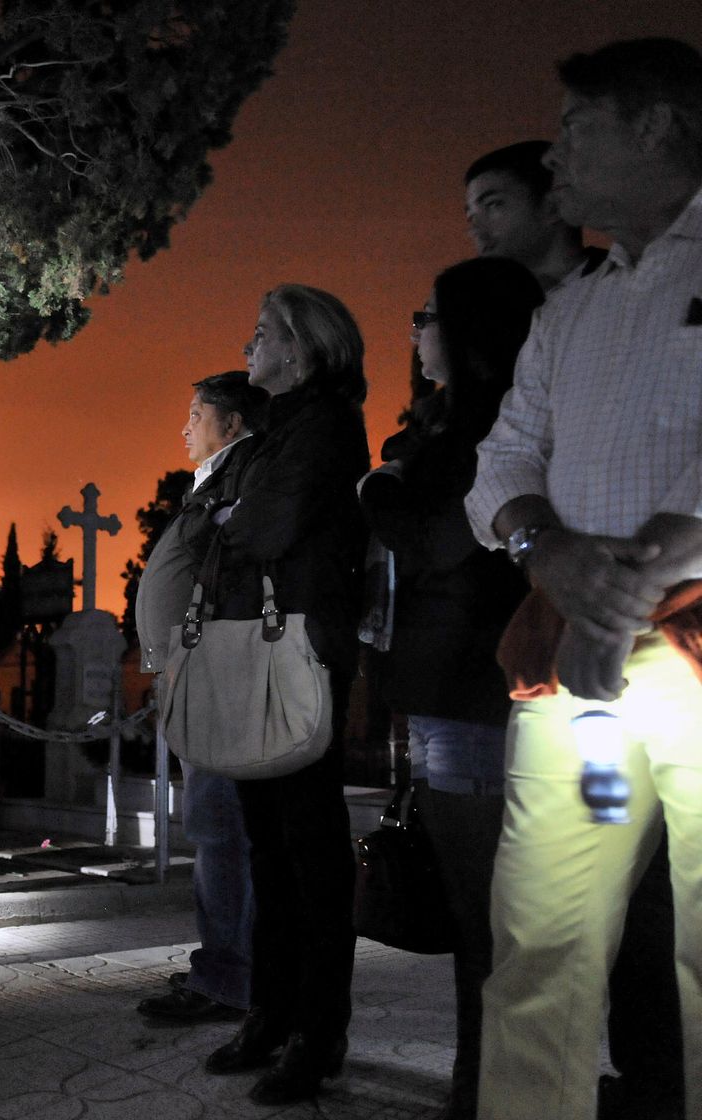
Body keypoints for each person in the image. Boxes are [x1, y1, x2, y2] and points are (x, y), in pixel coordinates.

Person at [464, 38, 702, 1120]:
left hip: (690, 661)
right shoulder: (574, 308)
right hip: (579, 686)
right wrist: (539, 547)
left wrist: (638, 576)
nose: (556, 155)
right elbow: (503, 458)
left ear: (656, 125)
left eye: (576, 128)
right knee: (542, 942)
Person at [359, 257, 541, 1120]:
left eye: (426, 315)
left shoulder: (489, 427)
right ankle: (483, 1086)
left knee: (489, 921)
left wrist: (378, 490)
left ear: (468, 333)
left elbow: (443, 545)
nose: (414, 331)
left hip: (476, 691)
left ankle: (491, 1093)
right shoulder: (442, 424)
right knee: (480, 917)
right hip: (442, 691)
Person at [199, 286, 369, 1106]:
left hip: (300, 655)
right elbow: (220, 519)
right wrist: (227, 514)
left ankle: (317, 1031)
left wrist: (229, 514)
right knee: (267, 843)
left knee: (310, 852)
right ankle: (271, 1011)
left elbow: (257, 528)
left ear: (300, 346)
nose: (247, 343)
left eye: (262, 332)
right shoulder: (278, 429)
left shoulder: (324, 424)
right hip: (259, 653)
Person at [133, 371, 267, 1026]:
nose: (184, 426)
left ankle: (228, 980)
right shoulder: (216, 482)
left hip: (218, 673)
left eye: (196, 413)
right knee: (216, 830)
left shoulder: (245, 477)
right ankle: (223, 966)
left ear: (233, 422)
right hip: (200, 672)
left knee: (221, 830)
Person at [464, 141, 605, 288]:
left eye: (493, 204)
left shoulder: (622, 285)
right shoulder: (483, 305)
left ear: (554, 207)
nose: (474, 230)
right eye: (471, 217)